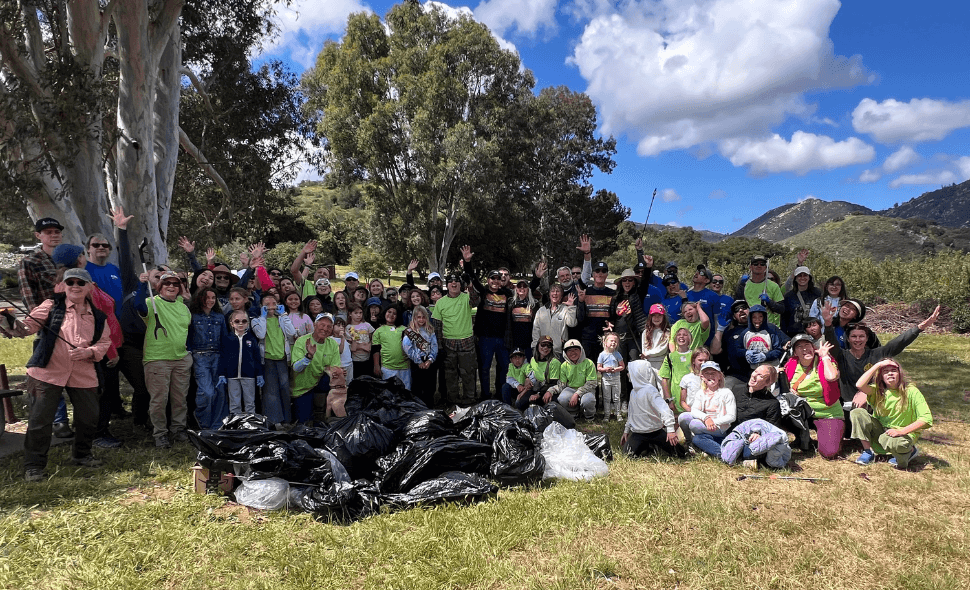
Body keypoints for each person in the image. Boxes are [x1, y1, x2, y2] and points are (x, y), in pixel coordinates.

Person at [15, 268, 111, 481]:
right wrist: (11, 325)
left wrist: (89, 352)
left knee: (89, 417)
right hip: (47, 371)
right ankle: (34, 466)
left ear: (89, 287)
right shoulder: (50, 305)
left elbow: (104, 342)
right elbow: (28, 326)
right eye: (70, 282)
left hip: (83, 371)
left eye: (80, 282)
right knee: (40, 420)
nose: (75, 286)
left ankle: (82, 455)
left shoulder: (98, 315)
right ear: (63, 286)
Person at [822, 303, 939, 409]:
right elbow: (831, 339)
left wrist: (921, 327)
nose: (858, 340)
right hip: (846, 406)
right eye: (854, 336)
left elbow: (899, 342)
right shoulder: (841, 355)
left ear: (867, 338)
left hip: (874, 405)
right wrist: (827, 322)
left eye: (861, 336)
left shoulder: (877, 354)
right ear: (848, 339)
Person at [19, 217, 74, 439]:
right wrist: (38, 321)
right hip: (49, 324)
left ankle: (86, 415)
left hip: (76, 321)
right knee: (50, 373)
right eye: (48, 232)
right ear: (38, 236)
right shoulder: (30, 261)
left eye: (57, 231)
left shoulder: (68, 259)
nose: (53, 235)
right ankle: (59, 421)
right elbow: (28, 296)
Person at [136, 270, 193, 448]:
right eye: (167, 283)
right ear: (160, 287)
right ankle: (160, 433)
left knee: (180, 399)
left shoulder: (183, 307)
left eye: (175, 283)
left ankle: (178, 429)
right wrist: (141, 285)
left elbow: (187, 330)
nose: (171, 286)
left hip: (181, 359)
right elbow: (138, 305)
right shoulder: (151, 303)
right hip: (157, 359)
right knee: (159, 400)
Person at [852, 359, 932, 469]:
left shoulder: (911, 391)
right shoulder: (877, 391)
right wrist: (878, 365)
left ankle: (910, 451)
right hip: (881, 432)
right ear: (881, 376)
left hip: (902, 434)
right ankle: (868, 451)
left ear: (900, 374)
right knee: (857, 413)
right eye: (885, 371)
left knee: (897, 444)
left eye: (894, 370)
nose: (890, 373)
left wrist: (901, 431)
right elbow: (859, 384)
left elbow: (926, 418)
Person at [461, 245, 512, 400]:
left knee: (503, 367)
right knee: (484, 368)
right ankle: (485, 395)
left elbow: (527, 291)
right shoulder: (483, 291)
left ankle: (500, 394)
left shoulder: (507, 294)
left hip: (502, 338)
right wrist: (467, 262)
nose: (495, 281)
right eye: (492, 278)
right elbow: (472, 276)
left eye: (498, 278)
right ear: (488, 280)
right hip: (485, 338)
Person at [782, 334, 842, 458]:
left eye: (807, 345)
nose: (805, 349)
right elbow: (784, 384)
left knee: (829, 453)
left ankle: (832, 435)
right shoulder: (791, 364)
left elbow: (832, 377)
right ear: (795, 352)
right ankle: (802, 438)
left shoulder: (825, 361)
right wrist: (790, 391)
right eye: (799, 346)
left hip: (827, 412)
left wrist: (825, 356)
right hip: (803, 412)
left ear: (813, 347)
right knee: (778, 409)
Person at [621, 360, 687, 458]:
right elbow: (631, 414)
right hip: (638, 433)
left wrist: (670, 430)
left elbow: (664, 409)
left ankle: (652, 445)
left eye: (630, 372)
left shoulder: (650, 391)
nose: (628, 375)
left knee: (679, 453)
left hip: (655, 432)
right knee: (627, 456)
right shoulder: (633, 392)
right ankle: (647, 446)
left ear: (639, 374)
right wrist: (626, 431)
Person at [431, 271, 477, 405]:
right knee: (450, 374)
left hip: (466, 341)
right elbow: (437, 326)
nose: (453, 283)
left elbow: (476, 300)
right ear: (447, 285)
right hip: (448, 343)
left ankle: (469, 400)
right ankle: (453, 402)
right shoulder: (440, 302)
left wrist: (470, 285)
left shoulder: (467, 297)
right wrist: (439, 345)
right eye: (450, 282)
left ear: (460, 284)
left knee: (468, 373)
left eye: (456, 281)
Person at [251, 293, 296, 425]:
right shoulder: (256, 320)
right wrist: (263, 317)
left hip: (282, 358)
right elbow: (260, 334)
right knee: (271, 391)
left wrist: (284, 315)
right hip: (268, 359)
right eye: (267, 304)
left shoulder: (281, 318)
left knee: (284, 389)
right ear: (261, 306)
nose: (271, 307)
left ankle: (287, 420)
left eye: (274, 304)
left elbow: (292, 332)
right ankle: (274, 421)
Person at [187, 288, 228, 430]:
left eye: (213, 297)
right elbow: (188, 338)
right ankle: (203, 421)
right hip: (200, 357)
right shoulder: (193, 316)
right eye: (207, 297)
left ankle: (217, 425)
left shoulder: (220, 317)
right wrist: (190, 354)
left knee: (220, 392)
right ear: (200, 298)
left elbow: (224, 339)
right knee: (207, 392)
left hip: (217, 356)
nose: (210, 300)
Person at [291, 313, 343, 423]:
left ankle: (329, 414)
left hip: (321, 381)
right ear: (315, 325)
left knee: (339, 380)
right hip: (303, 387)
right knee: (304, 423)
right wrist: (308, 357)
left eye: (329, 326)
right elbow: (296, 368)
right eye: (322, 325)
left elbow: (335, 368)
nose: (325, 329)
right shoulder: (302, 341)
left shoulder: (333, 344)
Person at [684, 361, 736, 458]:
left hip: (719, 427)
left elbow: (732, 416)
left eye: (713, 373)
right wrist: (706, 418)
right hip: (704, 424)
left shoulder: (726, 392)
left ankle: (726, 455)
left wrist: (713, 422)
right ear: (702, 377)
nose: (710, 376)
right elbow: (694, 410)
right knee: (685, 418)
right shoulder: (701, 393)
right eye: (707, 373)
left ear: (720, 376)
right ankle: (691, 443)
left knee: (694, 424)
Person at [217, 310, 263, 416]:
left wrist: (259, 374)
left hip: (249, 375)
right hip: (232, 376)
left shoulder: (252, 339)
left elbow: (257, 358)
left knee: (250, 402)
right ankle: (236, 422)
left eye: (244, 321)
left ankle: (250, 422)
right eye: (237, 321)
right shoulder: (227, 339)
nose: (241, 323)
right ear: (231, 323)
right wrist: (222, 374)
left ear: (247, 323)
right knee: (234, 403)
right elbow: (223, 357)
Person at [728, 304, 789, 382]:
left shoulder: (771, 330)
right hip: (753, 370)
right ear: (750, 318)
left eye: (760, 317)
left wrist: (765, 356)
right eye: (754, 317)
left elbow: (778, 350)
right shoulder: (745, 333)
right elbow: (736, 349)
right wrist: (746, 353)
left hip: (771, 368)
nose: (757, 320)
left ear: (764, 317)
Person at [575, 260, 615, 362]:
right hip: (588, 338)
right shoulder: (585, 292)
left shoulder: (613, 293)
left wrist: (612, 322)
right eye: (597, 271)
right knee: (588, 367)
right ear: (593, 274)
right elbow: (580, 318)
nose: (600, 274)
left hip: (605, 338)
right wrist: (581, 301)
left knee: (606, 367)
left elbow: (614, 315)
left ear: (607, 274)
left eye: (603, 271)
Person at [550, 339, 598, 421]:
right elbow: (562, 384)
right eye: (569, 350)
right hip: (571, 388)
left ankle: (589, 416)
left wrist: (577, 394)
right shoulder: (564, 366)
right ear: (565, 353)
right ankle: (574, 413)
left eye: (576, 349)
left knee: (588, 400)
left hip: (586, 389)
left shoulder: (589, 363)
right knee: (562, 398)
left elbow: (592, 383)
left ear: (581, 351)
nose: (573, 352)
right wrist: (550, 391)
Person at [719, 419, 792, 469]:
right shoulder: (737, 439)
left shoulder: (778, 438)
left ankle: (744, 460)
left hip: (766, 443)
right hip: (746, 438)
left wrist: (757, 433)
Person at [403, 305, 438, 408]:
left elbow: (434, 345)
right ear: (414, 318)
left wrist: (430, 360)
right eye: (418, 317)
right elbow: (407, 347)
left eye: (423, 317)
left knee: (430, 386)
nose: (421, 320)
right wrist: (419, 361)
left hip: (429, 361)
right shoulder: (410, 332)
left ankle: (429, 406)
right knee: (417, 387)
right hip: (417, 362)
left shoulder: (430, 330)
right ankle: (418, 408)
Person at [675, 347, 712, 444]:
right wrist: (691, 411)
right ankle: (689, 441)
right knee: (683, 418)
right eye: (700, 360)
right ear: (693, 361)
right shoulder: (687, 378)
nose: (703, 363)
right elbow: (682, 401)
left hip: (709, 413)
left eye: (706, 360)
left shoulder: (713, 378)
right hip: (692, 412)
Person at [734, 255, 784, 326]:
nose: (759, 266)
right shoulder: (744, 285)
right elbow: (737, 305)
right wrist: (740, 286)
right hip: (749, 326)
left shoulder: (773, 286)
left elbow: (781, 309)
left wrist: (769, 302)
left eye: (762, 264)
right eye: (756, 264)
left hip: (768, 326)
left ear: (765, 267)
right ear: (750, 267)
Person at [514, 336, 561, 411]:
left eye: (549, 346)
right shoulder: (533, 359)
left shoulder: (554, 362)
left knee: (548, 404)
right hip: (535, 388)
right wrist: (527, 379)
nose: (545, 348)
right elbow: (530, 374)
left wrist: (538, 394)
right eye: (543, 345)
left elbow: (553, 383)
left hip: (548, 389)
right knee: (519, 403)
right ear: (538, 345)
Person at [531, 284, 577, 359]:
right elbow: (536, 330)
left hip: (558, 351)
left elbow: (572, 323)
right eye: (552, 291)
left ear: (561, 295)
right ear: (549, 295)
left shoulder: (565, 309)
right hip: (543, 350)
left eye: (558, 291)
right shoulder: (541, 310)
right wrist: (535, 346)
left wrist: (571, 307)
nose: (555, 293)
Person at [372, 306, 410, 388]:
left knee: (405, 392)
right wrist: (376, 365)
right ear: (385, 313)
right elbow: (376, 349)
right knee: (389, 392)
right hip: (387, 368)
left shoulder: (405, 329)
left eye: (394, 313)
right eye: (389, 312)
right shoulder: (378, 331)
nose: (391, 315)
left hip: (404, 367)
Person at [659, 327, 693, 414]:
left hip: (692, 396)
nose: (681, 336)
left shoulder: (695, 355)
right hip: (676, 398)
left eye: (685, 335)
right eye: (679, 334)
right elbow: (664, 380)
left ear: (690, 339)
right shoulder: (670, 357)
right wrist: (669, 400)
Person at [781, 266, 821, 337]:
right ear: (795, 278)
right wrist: (784, 337)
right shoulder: (788, 296)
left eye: (805, 275)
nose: (802, 278)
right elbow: (784, 318)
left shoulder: (818, 293)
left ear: (809, 277)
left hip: (814, 334)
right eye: (799, 275)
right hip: (794, 334)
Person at [597, 332, 625, 421]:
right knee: (606, 398)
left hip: (616, 379)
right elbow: (598, 368)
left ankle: (618, 414)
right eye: (611, 341)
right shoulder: (602, 355)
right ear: (605, 342)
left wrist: (615, 369)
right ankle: (607, 415)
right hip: (606, 379)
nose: (613, 343)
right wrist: (605, 369)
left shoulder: (617, 354)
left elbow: (622, 366)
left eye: (615, 341)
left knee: (616, 397)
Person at [347, 303, 374, 382]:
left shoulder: (367, 325)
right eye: (356, 313)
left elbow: (373, 338)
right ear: (350, 314)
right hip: (355, 360)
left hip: (367, 360)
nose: (359, 315)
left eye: (360, 313)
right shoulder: (348, 327)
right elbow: (351, 347)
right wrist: (363, 346)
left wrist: (368, 345)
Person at [640, 304, 670, 371]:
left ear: (663, 317)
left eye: (659, 316)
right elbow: (644, 347)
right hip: (647, 362)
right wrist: (645, 355)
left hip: (661, 362)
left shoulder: (666, 332)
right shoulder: (645, 332)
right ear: (650, 317)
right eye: (654, 316)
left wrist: (648, 354)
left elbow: (663, 349)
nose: (656, 318)